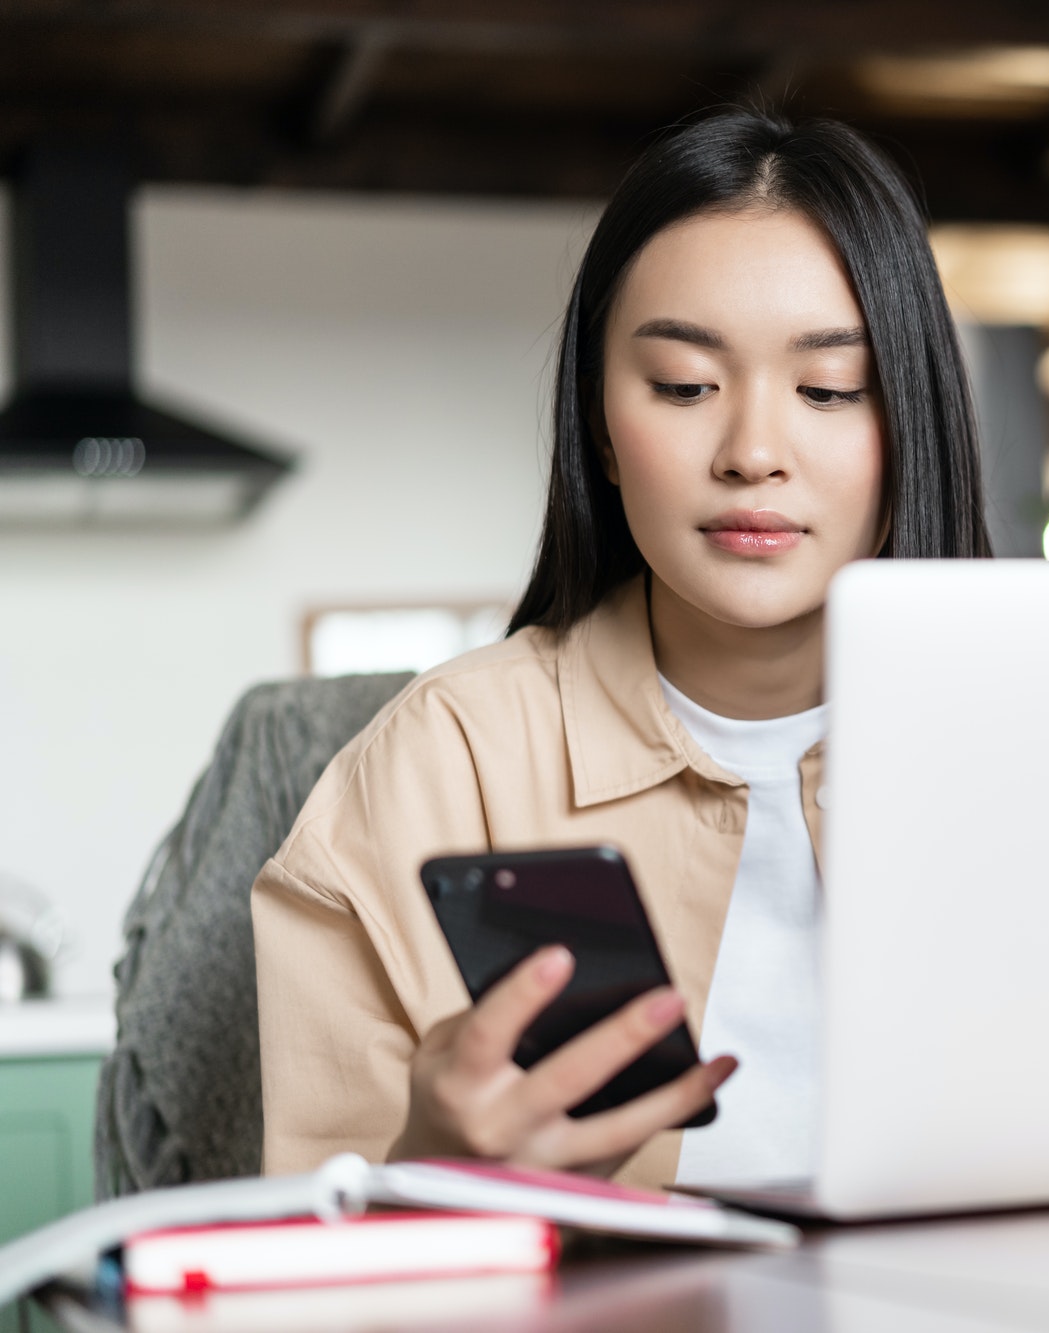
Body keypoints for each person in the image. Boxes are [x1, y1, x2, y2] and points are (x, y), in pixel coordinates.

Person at [251, 107, 990, 1188]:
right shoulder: (438, 769)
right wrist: (430, 1174)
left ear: (911, 420)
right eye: (684, 384)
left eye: (830, 388)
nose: (752, 452)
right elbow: (313, 1239)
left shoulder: (1043, 745)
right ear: (599, 424)